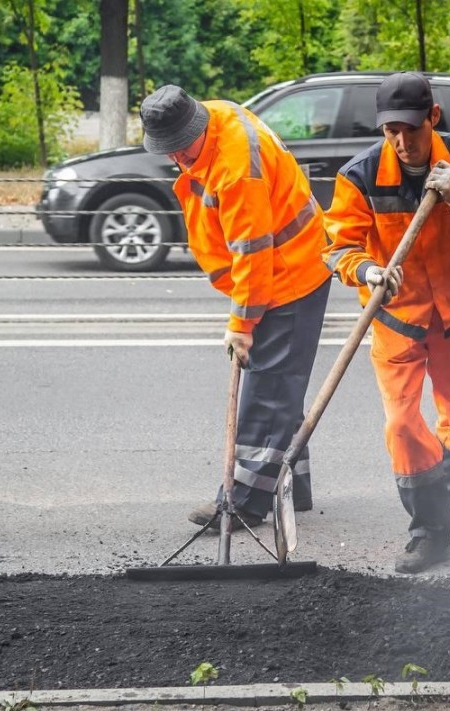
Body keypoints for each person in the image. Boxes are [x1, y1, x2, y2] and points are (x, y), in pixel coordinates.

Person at [322, 72, 450, 573]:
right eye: (391, 131)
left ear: (433, 117)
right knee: (403, 427)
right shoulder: (360, 175)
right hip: (397, 320)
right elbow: (339, 247)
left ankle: (448, 489)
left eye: (411, 129)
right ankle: (431, 533)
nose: (402, 142)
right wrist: (367, 269)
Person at [139, 84, 333, 533]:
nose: (176, 159)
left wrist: (242, 324)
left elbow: (252, 251)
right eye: (168, 152)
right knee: (281, 389)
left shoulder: (236, 168)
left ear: (197, 125)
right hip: (285, 268)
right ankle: (290, 487)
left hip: (285, 277)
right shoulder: (217, 116)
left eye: (181, 149)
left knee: (264, 395)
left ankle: (243, 503)